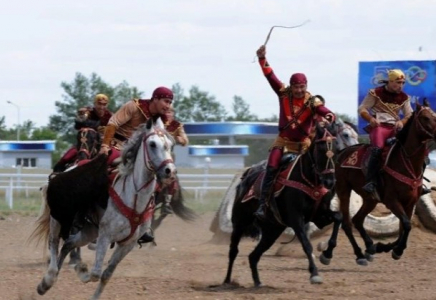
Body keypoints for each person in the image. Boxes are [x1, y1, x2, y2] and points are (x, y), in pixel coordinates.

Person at [254, 45, 336, 220]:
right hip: (283, 142)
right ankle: (263, 204)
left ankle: (325, 203)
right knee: (271, 167)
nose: (299, 90)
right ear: (291, 86)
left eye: (302, 86)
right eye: (296, 87)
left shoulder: (312, 101)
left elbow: (326, 111)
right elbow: (270, 76)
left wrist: (328, 118)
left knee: (323, 168)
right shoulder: (283, 94)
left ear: (306, 86)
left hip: (304, 145)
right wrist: (262, 59)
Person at [99, 86, 175, 243]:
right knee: (103, 170)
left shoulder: (160, 119)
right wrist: (105, 145)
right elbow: (112, 123)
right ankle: (93, 212)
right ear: (155, 98)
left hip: (138, 153)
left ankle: (143, 223)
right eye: (166, 101)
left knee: (152, 180)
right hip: (117, 145)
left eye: (170, 102)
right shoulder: (134, 106)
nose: (168, 106)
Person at [358, 69, 431, 196]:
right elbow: (362, 108)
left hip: (395, 128)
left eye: (403, 83)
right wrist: (370, 119)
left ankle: (419, 183)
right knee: (377, 149)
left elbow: (409, 114)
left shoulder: (404, 97)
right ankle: (371, 181)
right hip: (379, 127)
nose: (400, 86)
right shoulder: (376, 93)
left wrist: (402, 122)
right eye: (398, 83)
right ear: (390, 81)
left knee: (420, 151)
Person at [53, 94, 112, 172]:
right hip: (86, 142)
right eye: (99, 104)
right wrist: (93, 123)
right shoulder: (87, 112)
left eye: (104, 104)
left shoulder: (110, 116)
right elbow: (78, 125)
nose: (101, 107)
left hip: (103, 143)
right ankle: (57, 172)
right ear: (95, 103)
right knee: (66, 157)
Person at [160, 107, 189, 214]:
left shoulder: (177, 126)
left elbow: (185, 141)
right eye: (165, 112)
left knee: (172, 176)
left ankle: (167, 203)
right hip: (154, 153)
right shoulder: (157, 122)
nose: (167, 114)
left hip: (168, 155)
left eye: (170, 112)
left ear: (173, 114)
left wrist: (179, 139)